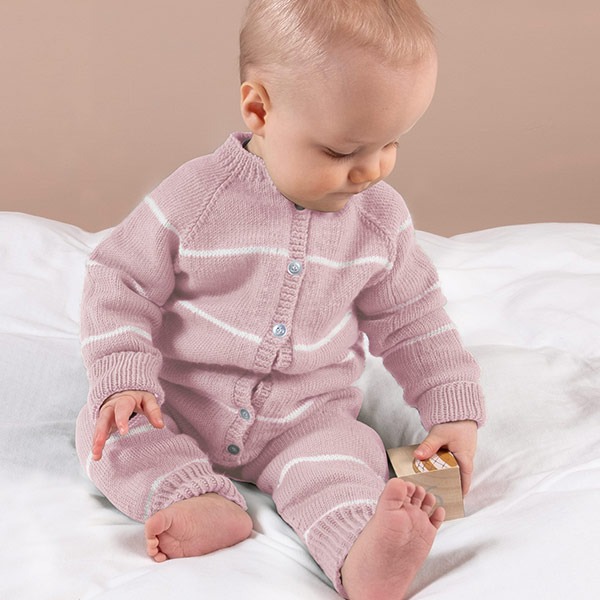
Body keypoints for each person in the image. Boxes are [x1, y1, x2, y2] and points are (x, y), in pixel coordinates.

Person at [75, 1, 485, 598]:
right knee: (110, 433)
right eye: (341, 152)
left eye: (390, 144)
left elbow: (414, 319)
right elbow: (119, 279)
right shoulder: (197, 197)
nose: (371, 171)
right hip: (178, 402)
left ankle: (362, 553)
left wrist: (452, 411)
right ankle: (194, 497)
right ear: (260, 110)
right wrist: (123, 377)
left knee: (345, 464)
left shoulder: (379, 220)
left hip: (307, 417)